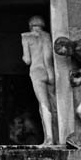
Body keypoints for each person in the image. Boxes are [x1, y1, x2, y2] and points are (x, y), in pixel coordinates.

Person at [21, 15, 56, 145]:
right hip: (49, 71)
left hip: (36, 71)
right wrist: (50, 73)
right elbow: (48, 56)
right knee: (53, 105)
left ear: (30, 25)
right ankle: (53, 136)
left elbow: (27, 59)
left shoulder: (26, 36)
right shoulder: (47, 36)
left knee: (44, 105)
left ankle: (50, 138)